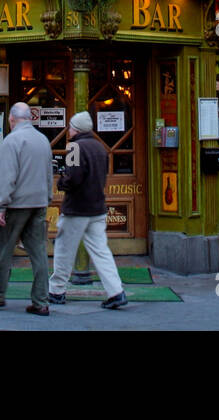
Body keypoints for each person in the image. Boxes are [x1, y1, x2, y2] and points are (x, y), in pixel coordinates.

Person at [0, 102, 53, 315]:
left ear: (11, 119)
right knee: (38, 252)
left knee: (2, 248)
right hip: (38, 203)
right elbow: (49, 172)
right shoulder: (43, 140)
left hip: (17, 204)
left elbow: (7, 176)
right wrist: (47, 198)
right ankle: (41, 301)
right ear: (30, 118)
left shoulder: (12, 141)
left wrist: (1, 205)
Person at [48, 111, 127, 310]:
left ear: (76, 129)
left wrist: (61, 182)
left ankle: (56, 291)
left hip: (77, 209)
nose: (69, 130)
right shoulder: (100, 148)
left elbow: (73, 177)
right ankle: (116, 291)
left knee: (64, 250)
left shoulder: (75, 147)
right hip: (97, 208)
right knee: (101, 251)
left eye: (71, 126)